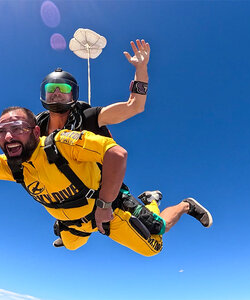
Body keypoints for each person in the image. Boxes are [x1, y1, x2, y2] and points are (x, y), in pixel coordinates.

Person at [0, 87, 213, 257]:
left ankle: (179, 204)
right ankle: (63, 229)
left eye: (18, 129)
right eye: (2, 131)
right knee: (71, 246)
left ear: (36, 130)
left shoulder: (60, 143)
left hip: (106, 213)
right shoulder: (13, 167)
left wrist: (104, 205)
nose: (9, 137)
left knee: (154, 245)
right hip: (72, 224)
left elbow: (116, 154)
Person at [39, 39, 160, 247]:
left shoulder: (89, 116)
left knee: (157, 234)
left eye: (63, 88)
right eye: (52, 88)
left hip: (105, 193)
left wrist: (141, 69)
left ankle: (155, 200)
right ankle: (68, 230)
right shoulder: (37, 128)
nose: (56, 92)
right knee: (72, 245)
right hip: (73, 199)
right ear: (44, 93)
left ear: (73, 94)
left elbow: (135, 106)